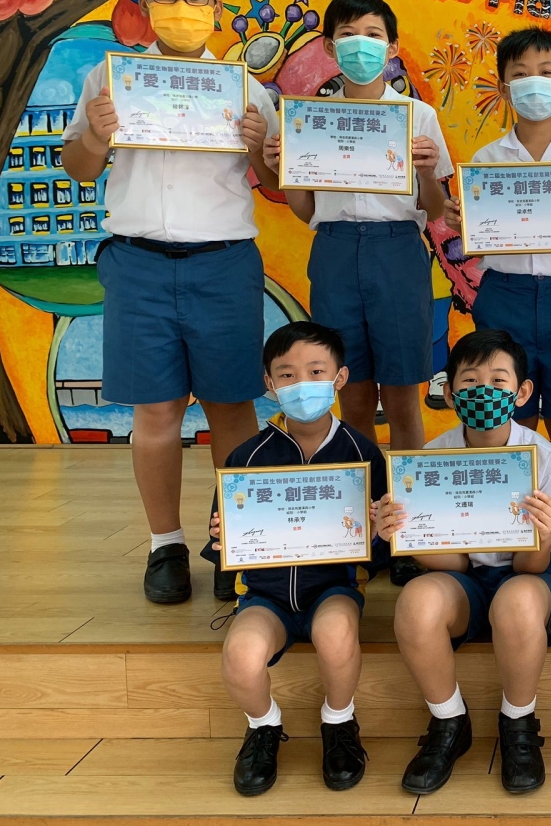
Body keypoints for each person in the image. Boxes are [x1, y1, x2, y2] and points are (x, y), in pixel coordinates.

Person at [61, 0, 278, 604]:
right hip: (139, 263)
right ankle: (166, 546)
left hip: (224, 262)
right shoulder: (109, 79)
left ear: (215, 7)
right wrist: (95, 135)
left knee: (231, 406)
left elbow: (275, 181)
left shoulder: (247, 89)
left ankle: (237, 541)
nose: (181, 8)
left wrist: (258, 151)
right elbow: (78, 167)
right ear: (144, 4)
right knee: (155, 411)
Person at [444, 28, 551, 595]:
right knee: (508, 419)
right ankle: (505, 528)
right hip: (506, 294)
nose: (533, 84)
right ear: (503, 87)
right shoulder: (486, 160)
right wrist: (461, 218)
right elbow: (473, 237)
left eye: (546, 73)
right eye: (520, 75)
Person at [376, 329, 551, 795]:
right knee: (416, 602)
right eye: (469, 381)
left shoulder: (544, 460)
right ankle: (449, 721)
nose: (484, 390)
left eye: (499, 380)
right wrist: (403, 536)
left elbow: (530, 568)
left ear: (522, 392)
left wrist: (543, 533)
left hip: (530, 572)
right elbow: (455, 565)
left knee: (517, 602)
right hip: (463, 578)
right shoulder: (431, 459)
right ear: (449, 392)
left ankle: (518, 723)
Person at [207, 322, 388, 796]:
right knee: (241, 655)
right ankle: (263, 726)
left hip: (334, 588)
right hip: (264, 596)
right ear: (269, 383)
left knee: (336, 634)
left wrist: (378, 532)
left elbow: (381, 548)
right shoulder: (246, 458)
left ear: (340, 378)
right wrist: (224, 538)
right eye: (287, 374)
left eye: (316, 371)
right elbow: (223, 539)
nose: (301, 383)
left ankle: (339, 721)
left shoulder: (363, 454)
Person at [266, 0, 450, 454]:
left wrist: (427, 173)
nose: (361, 45)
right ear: (330, 46)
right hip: (335, 251)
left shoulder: (418, 116)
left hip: (398, 252)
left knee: (403, 398)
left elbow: (434, 209)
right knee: (353, 396)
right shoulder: (310, 119)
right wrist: (286, 168)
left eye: (373, 34)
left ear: (391, 47)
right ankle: (366, 493)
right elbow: (307, 211)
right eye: (348, 35)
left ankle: (404, 498)